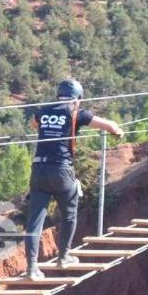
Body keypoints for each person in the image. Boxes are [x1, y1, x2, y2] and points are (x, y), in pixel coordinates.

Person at [24, 78, 124, 279]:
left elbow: (33, 124)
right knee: (69, 213)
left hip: (38, 170)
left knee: (34, 222)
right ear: (77, 98)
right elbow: (109, 126)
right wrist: (118, 132)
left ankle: (32, 269)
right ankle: (63, 257)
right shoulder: (77, 112)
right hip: (61, 169)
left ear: (58, 95)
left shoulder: (44, 110)